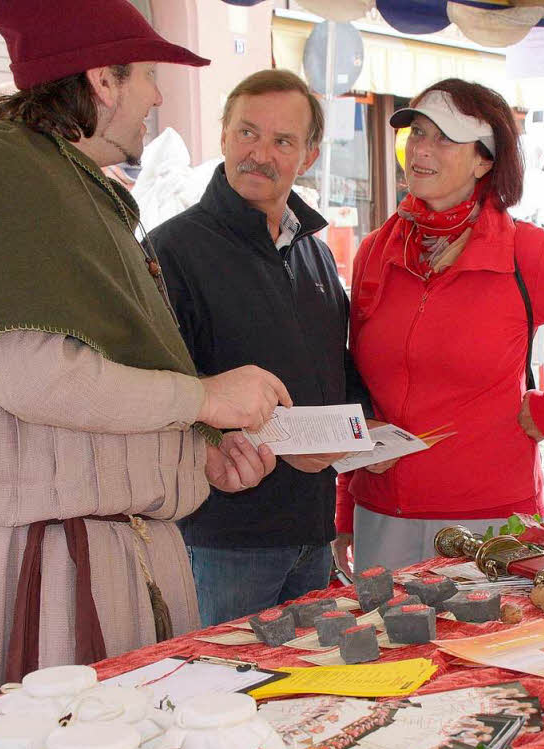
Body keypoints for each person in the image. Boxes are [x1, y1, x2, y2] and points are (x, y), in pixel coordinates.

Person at [0, 0, 291, 710]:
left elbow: (96, 388)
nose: (155, 94)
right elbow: (29, 372)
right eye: (146, 74)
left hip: (117, 552)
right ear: (102, 80)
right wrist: (204, 399)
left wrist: (193, 454)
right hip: (55, 569)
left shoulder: (75, 184)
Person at [333, 80, 544, 575]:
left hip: (490, 521)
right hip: (383, 514)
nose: (421, 148)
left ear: (484, 160)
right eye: (417, 132)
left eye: (443, 138)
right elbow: (358, 388)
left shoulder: (527, 251)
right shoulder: (376, 250)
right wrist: (345, 509)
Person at [147, 70, 370, 625]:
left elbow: (331, 371)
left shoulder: (313, 252)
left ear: (309, 155)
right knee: (222, 697)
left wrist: (361, 430)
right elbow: (154, 390)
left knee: (306, 699)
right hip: (223, 539)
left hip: (311, 531)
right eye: (247, 133)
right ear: (223, 135)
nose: (259, 154)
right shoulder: (170, 250)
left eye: (282, 141)